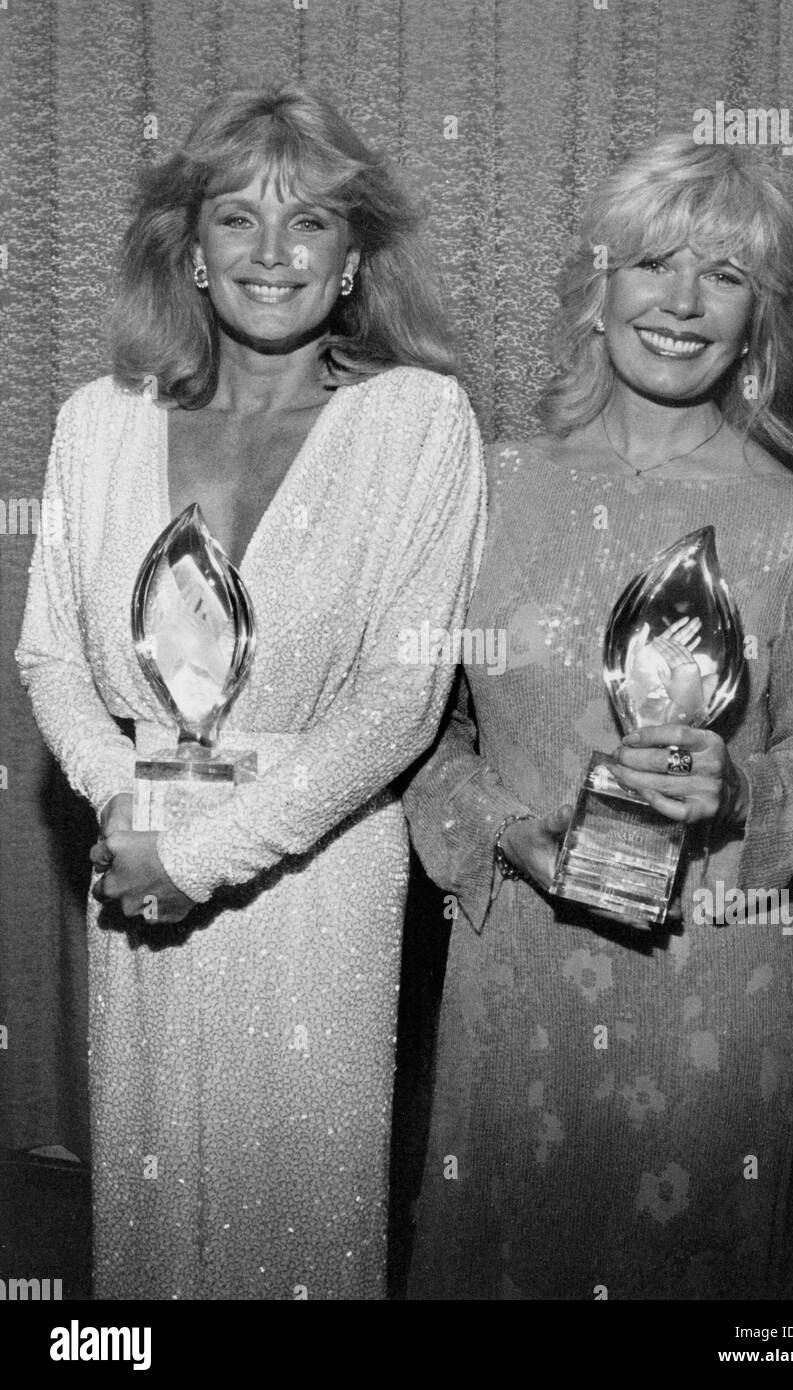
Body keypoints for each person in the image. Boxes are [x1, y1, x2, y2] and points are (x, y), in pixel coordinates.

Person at [16, 84, 485, 1300]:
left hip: (317, 876)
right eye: (238, 217)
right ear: (190, 249)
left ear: (353, 259)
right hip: (137, 860)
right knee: (154, 1221)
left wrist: (205, 853)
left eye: (309, 221)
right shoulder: (95, 423)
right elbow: (51, 656)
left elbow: (401, 700)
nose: (272, 252)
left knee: (299, 1219)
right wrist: (132, 810)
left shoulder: (419, 421)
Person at [401, 135, 793, 1300]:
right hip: (517, 974)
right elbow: (420, 735)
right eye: (656, 261)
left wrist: (743, 788)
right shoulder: (489, 486)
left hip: (712, 995)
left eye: (726, 275)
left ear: (759, 320)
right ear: (598, 283)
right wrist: (510, 835)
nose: (683, 302)